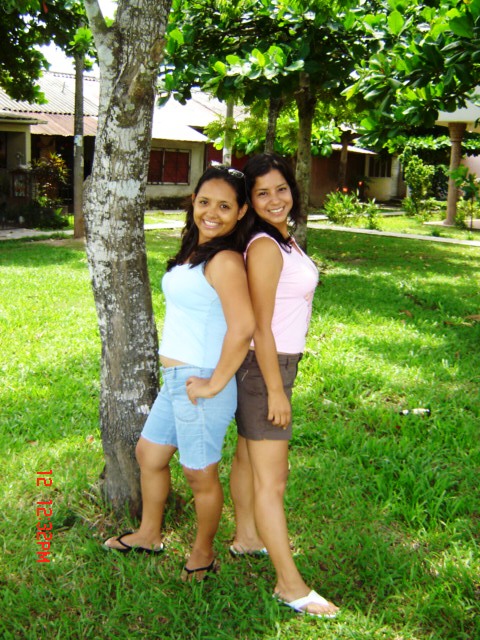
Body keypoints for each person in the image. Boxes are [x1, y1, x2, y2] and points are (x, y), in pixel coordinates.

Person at [105, 166, 255, 582]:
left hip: (201, 380)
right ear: (193, 201)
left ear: (241, 212)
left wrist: (214, 383)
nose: (212, 213)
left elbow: (243, 327)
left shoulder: (225, 260)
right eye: (205, 202)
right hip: (177, 380)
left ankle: (203, 554)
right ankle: (148, 534)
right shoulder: (196, 251)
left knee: (198, 474)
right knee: (149, 455)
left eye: (225, 206)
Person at [229, 153, 339, 617]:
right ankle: (289, 585)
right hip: (265, 368)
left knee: (246, 456)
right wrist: (275, 390)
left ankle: (246, 537)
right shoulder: (265, 247)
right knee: (273, 481)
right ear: (250, 201)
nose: (275, 199)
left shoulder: (281, 238)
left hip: (268, 365)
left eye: (281, 189)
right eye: (262, 193)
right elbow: (261, 326)